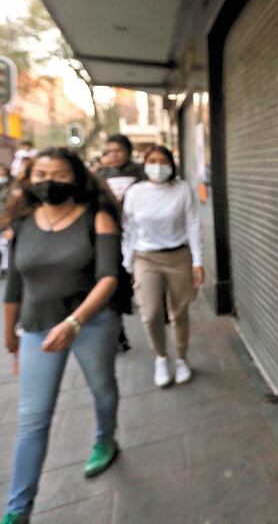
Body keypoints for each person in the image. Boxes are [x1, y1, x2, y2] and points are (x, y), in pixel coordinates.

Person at [2, 148, 122, 523]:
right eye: (40, 174)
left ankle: (105, 438)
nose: (49, 182)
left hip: (91, 324)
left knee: (102, 388)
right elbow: (15, 285)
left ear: (76, 178)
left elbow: (108, 277)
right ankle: (17, 510)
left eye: (59, 174)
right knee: (33, 419)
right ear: (29, 178)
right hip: (38, 328)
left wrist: (75, 322)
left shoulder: (97, 218)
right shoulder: (22, 224)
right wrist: (10, 335)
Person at [123, 145, 204, 386]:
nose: (158, 166)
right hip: (145, 258)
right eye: (152, 161)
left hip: (178, 256)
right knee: (150, 313)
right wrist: (127, 262)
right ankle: (160, 356)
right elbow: (129, 229)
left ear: (171, 164)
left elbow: (192, 224)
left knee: (179, 312)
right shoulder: (135, 192)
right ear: (145, 164)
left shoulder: (182, 189)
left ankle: (181, 358)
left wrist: (198, 261)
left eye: (163, 161)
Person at [96, 134, 145, 352]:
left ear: (128, 151)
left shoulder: (142, 174)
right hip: (112, 239)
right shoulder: (99, 178)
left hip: (140, 237)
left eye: (118, 151)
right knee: (114, 284)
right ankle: (119, 334)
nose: (113, 155)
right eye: (109, 151)